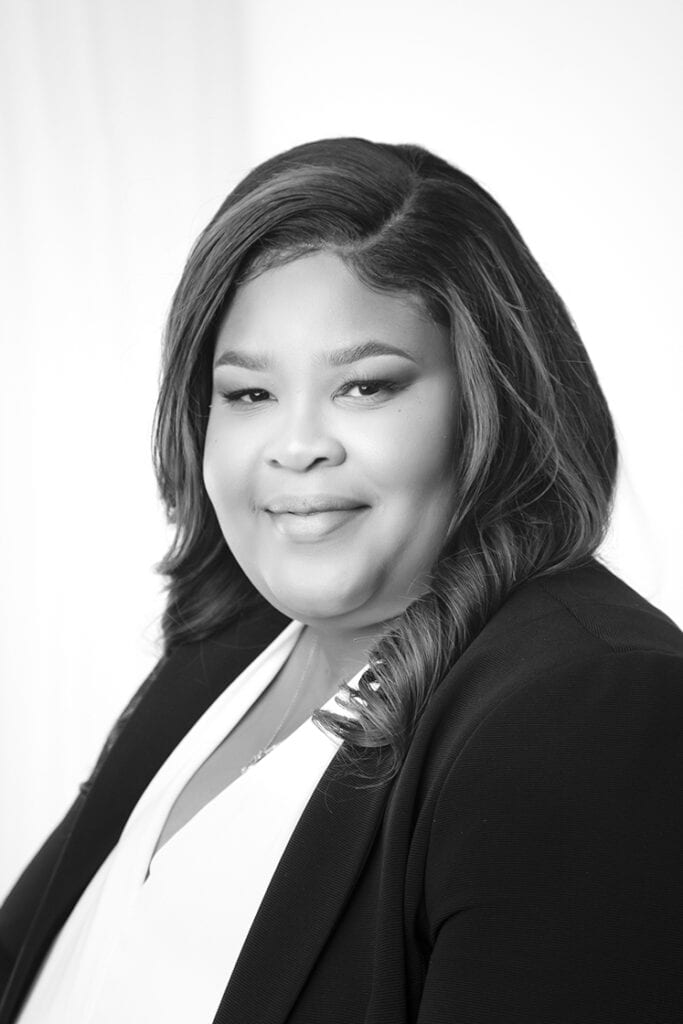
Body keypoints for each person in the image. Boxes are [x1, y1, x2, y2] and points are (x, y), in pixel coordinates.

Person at [1, 137, 681, 1024]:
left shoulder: (588, 704)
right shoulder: (233, 643)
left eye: (363, 386)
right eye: (249, 394)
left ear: (491, 397)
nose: (296, 443)